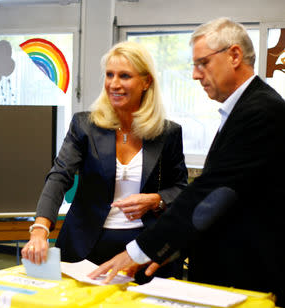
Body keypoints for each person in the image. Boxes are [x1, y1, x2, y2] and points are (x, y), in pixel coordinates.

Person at [89, 18, 285, 306]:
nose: (195, 75)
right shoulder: (244, 108)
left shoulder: (261, 111)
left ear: (234, 56)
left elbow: (212, 193)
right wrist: (167, 249)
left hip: (249, 273)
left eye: (203, 63)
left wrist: (139, 251)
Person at [21, 41, 188, 282]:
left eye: (125, 76)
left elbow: (181, 189)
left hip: (143, 248)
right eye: (109, 75)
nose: (114, 84)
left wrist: (156, 200)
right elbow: (59, 176)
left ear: (146, 82)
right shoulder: (85, 125)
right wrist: (40, 229)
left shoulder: (167, 133)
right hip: (85, 244)